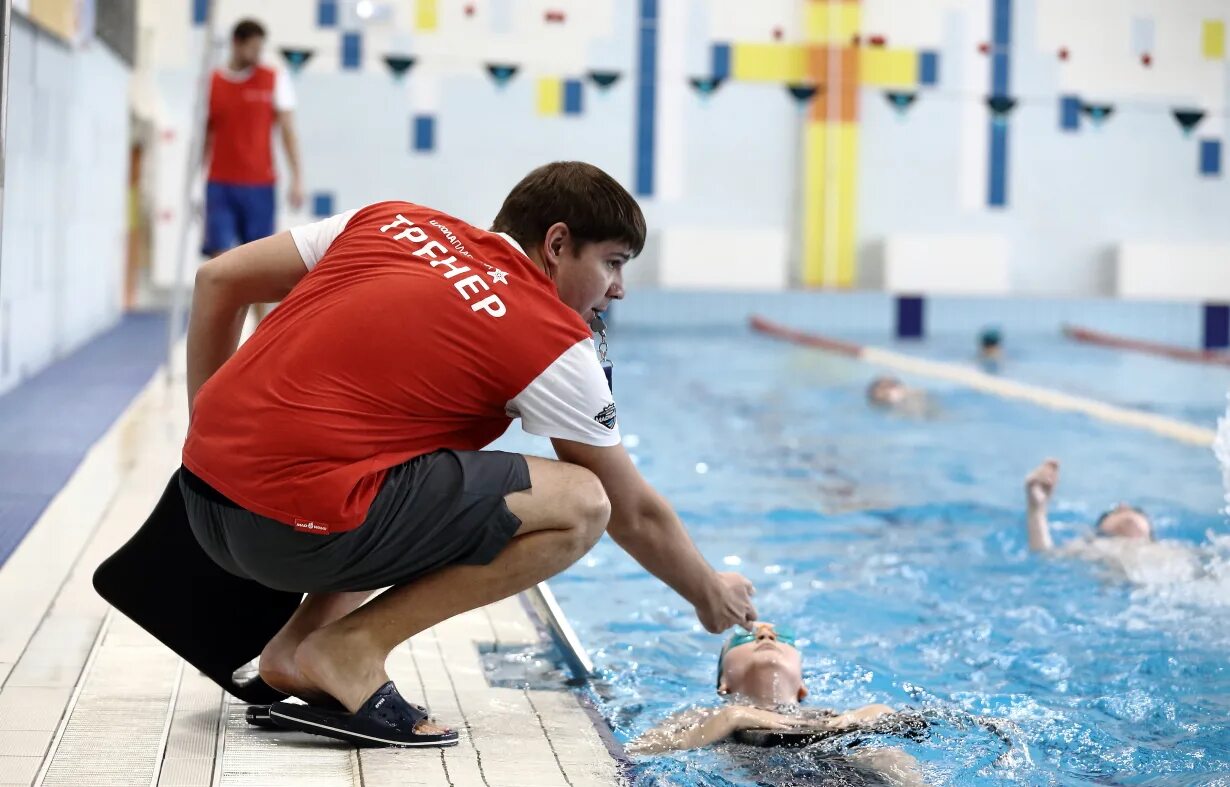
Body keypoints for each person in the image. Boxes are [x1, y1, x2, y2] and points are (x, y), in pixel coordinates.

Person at [180, 162, 757, 748]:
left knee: (430, 459)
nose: (619, 288)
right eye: (611, 262)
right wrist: (709, 592)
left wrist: (208, 435)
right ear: (557, 244)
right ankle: (351, 649)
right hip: (288, 534)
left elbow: (219, 280)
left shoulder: (390, 220)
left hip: (197, 501)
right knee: (583, 503)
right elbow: (634, 513)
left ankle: (294, 651)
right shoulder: (550, 337)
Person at [628, 623, 924, 784]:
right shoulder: (708, 715)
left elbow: (893, 719)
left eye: (782, 636)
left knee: (884, 754)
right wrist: (727, 720)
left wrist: (864, 716)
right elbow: (637, 750)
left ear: (802, 687)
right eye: (743, 637)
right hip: (763, 777)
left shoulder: (825, 714)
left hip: (846, 771)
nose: (765, 633)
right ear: (723, 684)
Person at [203, 19, 305, 319]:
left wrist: (297, 178)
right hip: (220, 183)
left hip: (260, 186)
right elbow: (205, 136)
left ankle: (261, 336)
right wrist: (196, 186)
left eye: (261, 49)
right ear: (236, 43)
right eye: (252, 49)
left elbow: (288, 131)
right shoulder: (212, 83)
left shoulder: (275, 78)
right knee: (219, 265)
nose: (257, 55)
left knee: (260, 269)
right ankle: (221, 341)